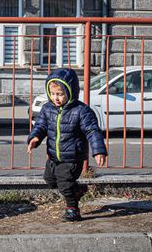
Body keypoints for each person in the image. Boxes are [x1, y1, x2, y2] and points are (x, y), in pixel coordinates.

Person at [27, 68, 107, 222]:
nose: (55, 98)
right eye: (53, 94)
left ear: (70, 92)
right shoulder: (47, 108)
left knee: (64, 183)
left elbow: (92, 131)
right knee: (50, 180)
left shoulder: (81, 111)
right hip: (53, 155)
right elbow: (41, 126)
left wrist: (98, 151)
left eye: (60, 94)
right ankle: (77, 190)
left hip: (73, 157)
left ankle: (72, 209)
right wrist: (35, 138)